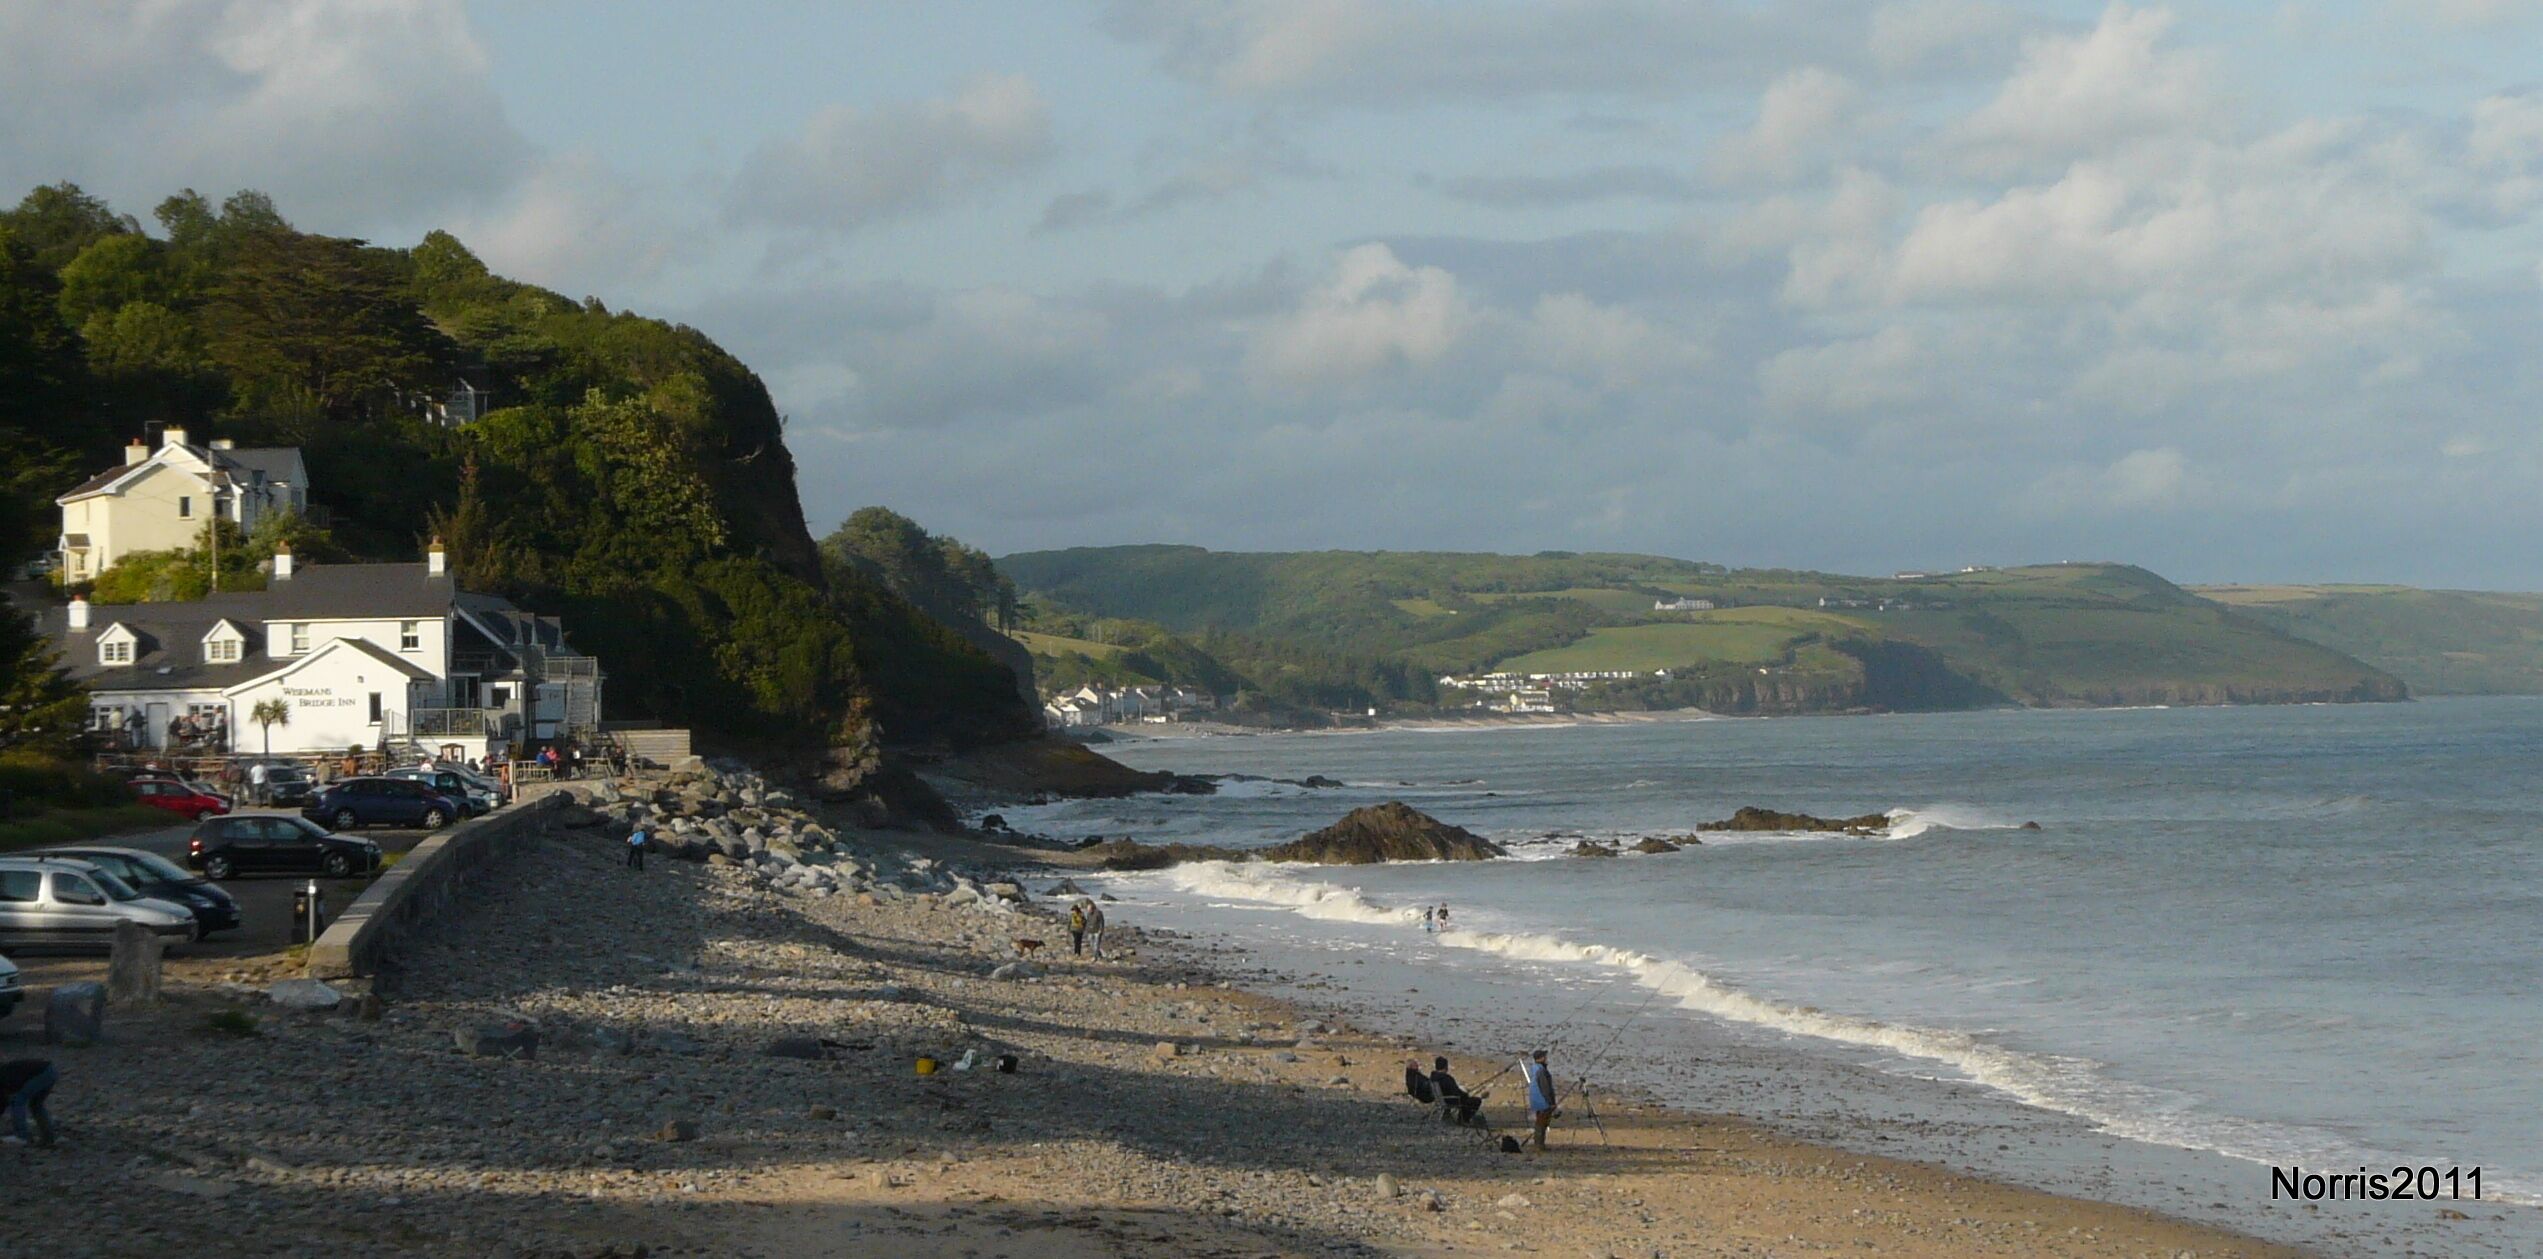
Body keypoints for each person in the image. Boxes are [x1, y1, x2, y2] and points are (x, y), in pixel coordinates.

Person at [0, 1058, 56, 1148]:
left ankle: (21, 1136)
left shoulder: (4, 1075)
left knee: (18, 1101)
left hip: (42, 1073)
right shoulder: (6, 1070)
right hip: (50, 1071)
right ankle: (48, 1137)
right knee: (36, 1105)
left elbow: (4, 1099)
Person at [1520, 1048, 1559, 1150]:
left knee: (1540, 1121)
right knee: (1542, 1123)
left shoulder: (1534, 1068)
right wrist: (1551, 1103)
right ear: (1541, 1058)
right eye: (1545, 1056)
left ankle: (1539, 1143)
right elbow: (1545, 1088)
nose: (1546, 1058)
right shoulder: (1541, 1071)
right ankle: (1539, 1144)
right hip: (1543, 1101)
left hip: (1536, 1100)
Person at [1430, 1056, 1483, 1125]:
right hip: (1450, 1100)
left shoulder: (1433, 1077)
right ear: (1446, 1067)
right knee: (1476, 1100)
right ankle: (1463, 1120)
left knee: (1466, 1099)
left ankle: (1461, 1119)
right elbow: (1456, 1092)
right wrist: (1465, 1094)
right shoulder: (1447, 1078)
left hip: (1441, 1100)